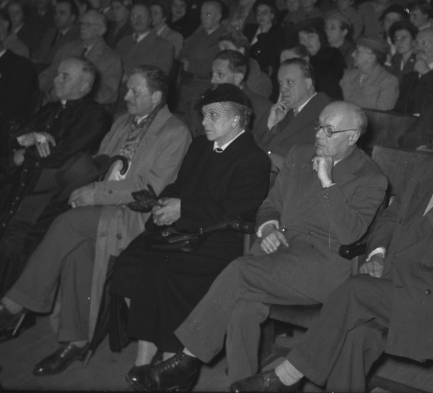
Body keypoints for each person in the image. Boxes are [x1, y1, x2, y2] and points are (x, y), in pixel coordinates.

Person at [229, 114, 433, 393]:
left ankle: (285, 377)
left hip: (431, 297)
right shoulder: (424, 171)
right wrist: (377, 253)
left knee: (355, 290)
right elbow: (390, 218)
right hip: (391, 282)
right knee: (355, 336)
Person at [125, 101, 388, 391]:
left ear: (352, 137)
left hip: (321, 268)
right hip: (279, 253)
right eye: (318, 126)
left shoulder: (371, 178)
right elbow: (270, 205)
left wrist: (327, 181)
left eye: (329, 130)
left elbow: (350, 234)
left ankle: (187, 359)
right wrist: (269, 227)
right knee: (242, 309)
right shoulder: (300, 155)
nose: (318, 134)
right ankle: (242, 384)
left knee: (238, 271)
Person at [0, 67, 191, 375]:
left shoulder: (175, 132)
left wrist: (96, 193)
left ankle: (14, 305)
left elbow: (152, 188)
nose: (126, 96)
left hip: (137, 216)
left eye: (135, 91)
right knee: (79, 250)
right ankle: (75, 340)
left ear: (156, 97)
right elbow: (100, 163)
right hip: (102, 210)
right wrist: (85, 184)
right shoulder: (121, 123)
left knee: (67, 223)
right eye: (127, 89)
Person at [110, 84, 270, 378]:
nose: (204, 122)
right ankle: (147, 349)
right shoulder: (200, 146)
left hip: (220, 238)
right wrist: (162, 204)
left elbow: (234, 210)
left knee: (163, 272)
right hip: (184, 231)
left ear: (236, 118)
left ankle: (172, 361)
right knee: (129, 264)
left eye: (212, 116)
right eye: (203, 115)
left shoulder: (253, 158)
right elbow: (179, 185)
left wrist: (183, 209)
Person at [0, 58, 111, 293]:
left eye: (64, 76)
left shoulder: (93, 114)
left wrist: (23, 153)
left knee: (14, 248)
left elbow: (59, 154)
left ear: (84, 86)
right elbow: (13, 138)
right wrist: (31, 138)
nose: (56, 80)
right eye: (58, 74)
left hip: (48, 200)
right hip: (20, 187)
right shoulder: (50, 109)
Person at [38, 10, 123, 108]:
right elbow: (46, 75)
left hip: (87, 109)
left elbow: (107, 93)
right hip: (55, 103)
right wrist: (52, 90)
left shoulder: (111, 59)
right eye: (82, 23)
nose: (83, 27)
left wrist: (72, 96)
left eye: (88, 24)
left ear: (102, 30)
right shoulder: (67, 48)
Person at [260, 58, 331, 171]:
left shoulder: (327, 112)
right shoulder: (282, 111)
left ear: (308, 83)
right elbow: (260, 150)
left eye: (289, 82)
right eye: (280, 83)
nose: (283, 88)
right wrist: (272, 124)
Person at [209, 50, 272, 147]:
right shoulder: (206, 103)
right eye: (212, 74)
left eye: (220, 75)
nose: (212, 81)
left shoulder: (262, 108)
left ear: (237, 78)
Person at [177, 0, 226, 122]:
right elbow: (183, 52)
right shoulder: (200, 32)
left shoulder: (224, 36)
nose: (203, 17)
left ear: (218, 17)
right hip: (187, 81)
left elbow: (216, 67)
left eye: (208, 14)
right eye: (202, 14)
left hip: (205, 85)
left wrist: (191, 66)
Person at [393, 28, 433, 115]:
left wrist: (426, 72)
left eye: (423, 43)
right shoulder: (409, 77)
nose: (418, 47)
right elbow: (399, 109)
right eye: (416, 43)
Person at [340, 36, 399, 110]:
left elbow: (381, 114)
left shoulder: (389, 81)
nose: (352, 55)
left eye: (358, 52)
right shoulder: (348, 75)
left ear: (371, 58)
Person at [297, 22, 346, 100]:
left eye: (310, 37)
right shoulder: (298, 61)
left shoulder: (332, 54)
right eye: (302, 39)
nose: (306, 42)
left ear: (320, 38)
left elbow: (331, 81)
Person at [34, 0, 81, 66]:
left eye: (62, 13)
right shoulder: (49, 33)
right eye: (55, 13)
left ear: (73, 17)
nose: (57, 17)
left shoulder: (78, 35)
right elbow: (40, 53)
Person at [244, 0, 285, 77]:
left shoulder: (278, 32)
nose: (260, 15)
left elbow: (265, 58)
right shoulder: (249, 28)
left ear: (272, 15)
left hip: (261, 70)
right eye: (258, 13)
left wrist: (263, 34)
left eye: (264, 12)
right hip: (245, 64)